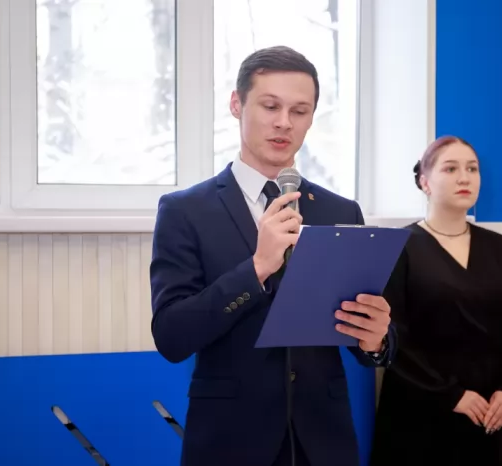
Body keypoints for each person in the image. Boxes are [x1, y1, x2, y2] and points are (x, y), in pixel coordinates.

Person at [150, 45, 397, 466]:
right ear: (237, 104)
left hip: (324, 440)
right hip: (230, 441)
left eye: (300, 111)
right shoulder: (185, 210)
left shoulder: (341, 211)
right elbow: (172, 336)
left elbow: (365, 331)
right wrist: (258, 268)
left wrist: (376, 339)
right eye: (270, 106)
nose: (285, 122)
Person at [369, 136, 502, 466]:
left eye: (472, 169)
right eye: (450, 169)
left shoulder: (500, 249)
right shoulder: (398, 247)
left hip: (492, 414)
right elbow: (391, 337)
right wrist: (449, 394)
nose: (465, 178)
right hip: (420, 416)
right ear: (424, 182)